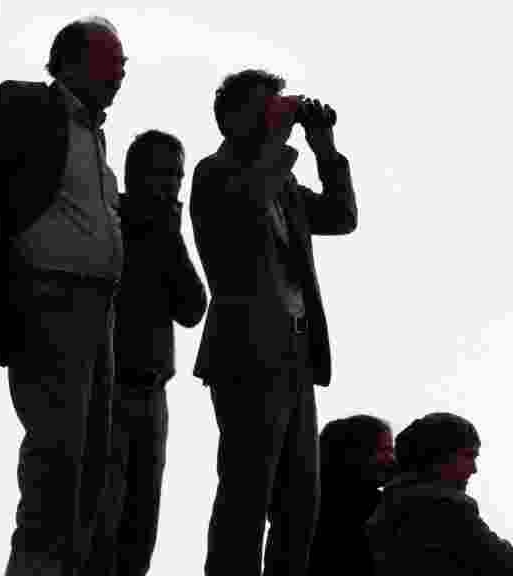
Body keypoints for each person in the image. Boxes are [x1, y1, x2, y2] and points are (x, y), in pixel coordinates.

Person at [0, 15, 126, 576]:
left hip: (96, 308)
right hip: (48, 299)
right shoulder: (29, 105)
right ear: (70, 61)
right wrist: (11, 244)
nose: (120, 72)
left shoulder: (93, 129)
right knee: (57, 456)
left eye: (123, 63)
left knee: (89, 462)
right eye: (111, 59)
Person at [189, 68, 358, 576]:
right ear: (237, 117)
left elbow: (340, 217)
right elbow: (245, 206)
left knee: (300, 500)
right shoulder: (213, 172)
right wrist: (281, 138)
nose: (277, 115)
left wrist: (324, 148)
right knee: (246, 493)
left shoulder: (280, 182)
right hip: (245, 353)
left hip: (295, 354)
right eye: (267, 107)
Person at [97, 129, 208, 575]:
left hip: (152, 390)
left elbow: (192, 306)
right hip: (110, 388)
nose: (172, 184)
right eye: (163, 173)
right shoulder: (111, 222)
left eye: (177, 175)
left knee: (141, 524)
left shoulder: (162, 231)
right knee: (105, 521)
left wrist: (169, 235)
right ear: (134, 174)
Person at [366, 413, 513, 576]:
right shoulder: (441, 507)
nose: (474, 469)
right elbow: (504, 563)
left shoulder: (391, 503)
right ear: (438, 456)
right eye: (468, 456)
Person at [307, 414, 397, 576]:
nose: (392, 459)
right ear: (352, 453)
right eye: (384, 450)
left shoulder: (308, 499)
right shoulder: (375, 506)